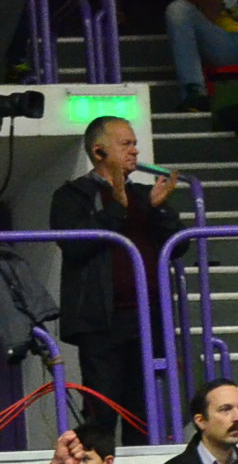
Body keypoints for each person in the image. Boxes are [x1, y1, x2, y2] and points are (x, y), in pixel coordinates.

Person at [48, 117, 180, 437]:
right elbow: (74, 245)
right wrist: (116, 210)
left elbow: (180, 246)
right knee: (102, 412)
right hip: (101, 322)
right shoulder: (72, 195)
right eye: (125, 144)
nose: (135, 151)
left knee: (144, 413)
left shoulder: (145, 195)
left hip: (148, 318)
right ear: (98, 152)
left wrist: (159, 210)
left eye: (135, 144)